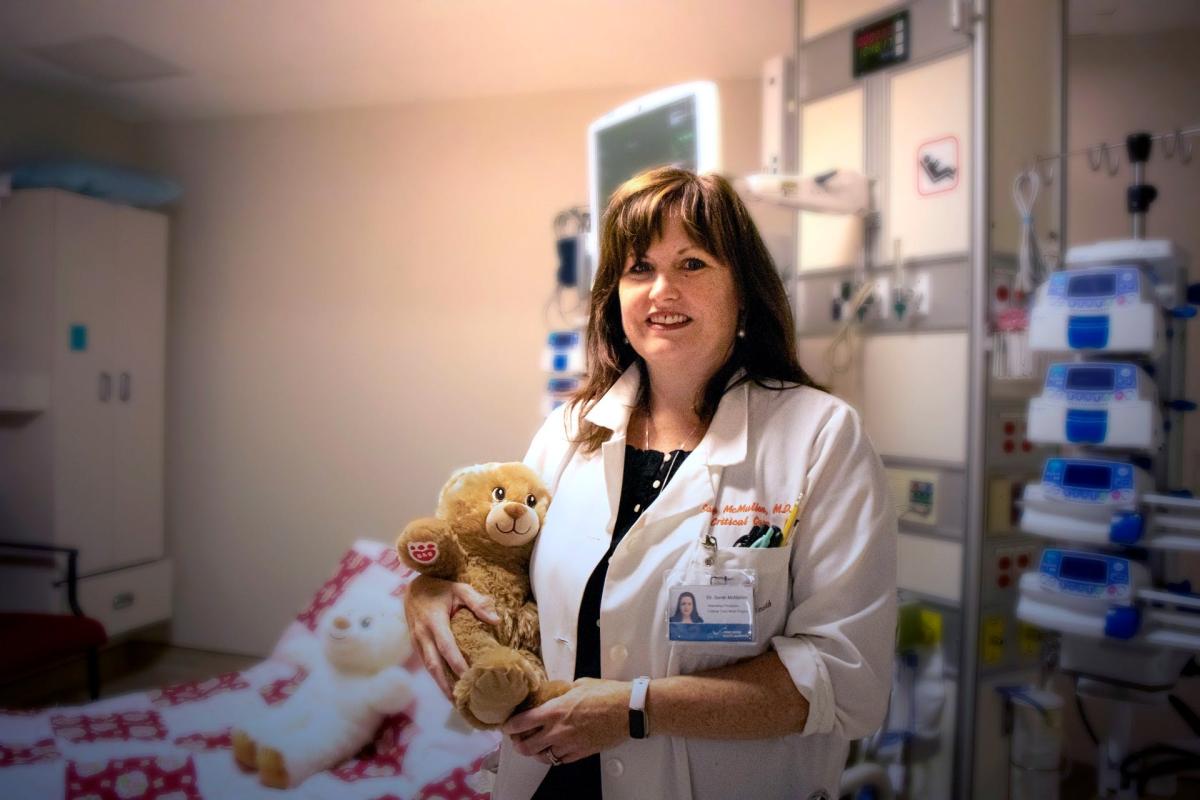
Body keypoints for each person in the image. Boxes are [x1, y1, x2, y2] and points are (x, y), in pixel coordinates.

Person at [405, 167, 897, 799]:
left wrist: (633, 710)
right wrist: (430, 590)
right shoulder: (571, 430)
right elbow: (502, 571)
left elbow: (845, 678)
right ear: (615, 293)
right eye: (639, 268)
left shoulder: (820, 437)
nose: (661, 290)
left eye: (691, 264)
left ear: (742, 290)